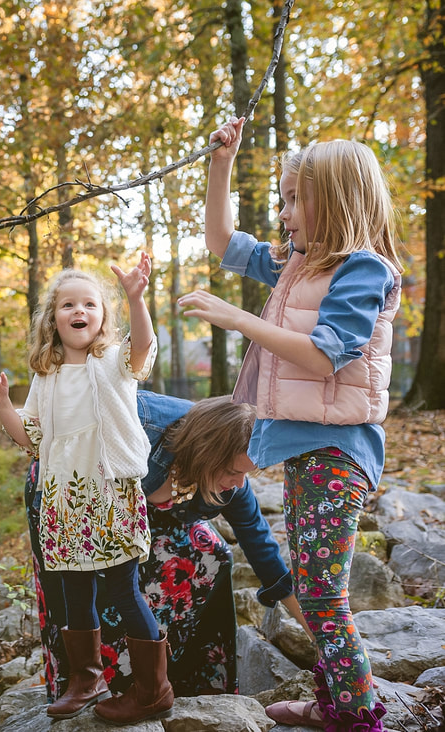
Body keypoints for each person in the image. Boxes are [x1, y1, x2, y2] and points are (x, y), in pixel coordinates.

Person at [178, 117, 403, 731]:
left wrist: (238, 319)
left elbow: (329, 353)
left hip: (339, 451)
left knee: (324, 595)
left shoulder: (363, 270)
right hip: (308, 449)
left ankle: (359, 716)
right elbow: (223, 242)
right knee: (312, 586)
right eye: (281, 200)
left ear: (333, 200)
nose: (284, 215)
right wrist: (221, 163)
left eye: (294, 200)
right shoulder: (298, 264)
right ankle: (332, 701)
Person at [0, 254, 172, 725]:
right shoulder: (46, 375)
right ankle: (87, 680)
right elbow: (32, 438)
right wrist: (3, 404)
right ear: (54, 318)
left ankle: (154, 691)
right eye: (68, 305)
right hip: (63, 500)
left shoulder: (111, 362)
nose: (78, 311)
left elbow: (143, 345)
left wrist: (135, 297)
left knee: (125, 591)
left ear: (101, 316)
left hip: (109, 494)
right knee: (72, 592)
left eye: (89, 303)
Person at [24, 392, 311, 703]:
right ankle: (91, 684)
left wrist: (320, 635)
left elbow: (264, 552)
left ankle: (185, 686)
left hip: (149, 504)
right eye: (232, 472)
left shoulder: (232, 481)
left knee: (213, 555)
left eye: (245, 473)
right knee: (93, 581)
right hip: (76, 493)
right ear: (207, 456)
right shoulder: (137, 426)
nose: (240, 483)